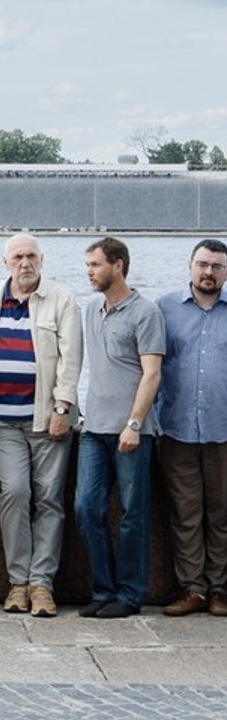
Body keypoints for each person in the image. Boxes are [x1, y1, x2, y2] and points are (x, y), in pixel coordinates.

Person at [0, 234, 82, 619]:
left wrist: (63, 406)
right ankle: (18, 582)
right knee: (14, 493)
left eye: (31, 255)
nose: (25, 262)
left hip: (46, 419)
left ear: (42, 259)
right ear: (6, 262)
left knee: (49, 499)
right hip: (0, 419)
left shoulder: (61, 299)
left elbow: (71, 357)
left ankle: (42, 585)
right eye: (18, 256)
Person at [75, 236, 165, 618]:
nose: (90, 272)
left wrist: (134, 423)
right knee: (85, 507)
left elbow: (152, 373)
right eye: (88, 265)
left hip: (133, 431)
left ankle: (129, 595)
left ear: (118, 265)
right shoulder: (91, 308)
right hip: (93, 428)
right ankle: (102, 589)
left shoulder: (146, 312)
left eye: (96, 265)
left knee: (133, 513)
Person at [158, 239, 227, 617]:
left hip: (223, 429)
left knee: (221, 513)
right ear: (189, 266)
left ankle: (220, 589)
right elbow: (150, 365)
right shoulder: (165, 308)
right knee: (185, 513)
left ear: (225, 272)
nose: (208, 272)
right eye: (202, 264)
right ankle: (193, 589)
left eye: (216, 266)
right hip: (176, 427)